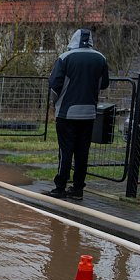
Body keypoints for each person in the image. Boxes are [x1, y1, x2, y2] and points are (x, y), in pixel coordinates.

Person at [47, 28, 109, 200]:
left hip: (66, 113)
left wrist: (54, 104)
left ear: (73, 40)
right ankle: (77, 189)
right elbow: (104, 84)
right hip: (89, 113)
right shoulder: (101, 58)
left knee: (65, 151)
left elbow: (54, 84)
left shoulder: (65, 58)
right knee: (83, 152)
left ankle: (60, 187)